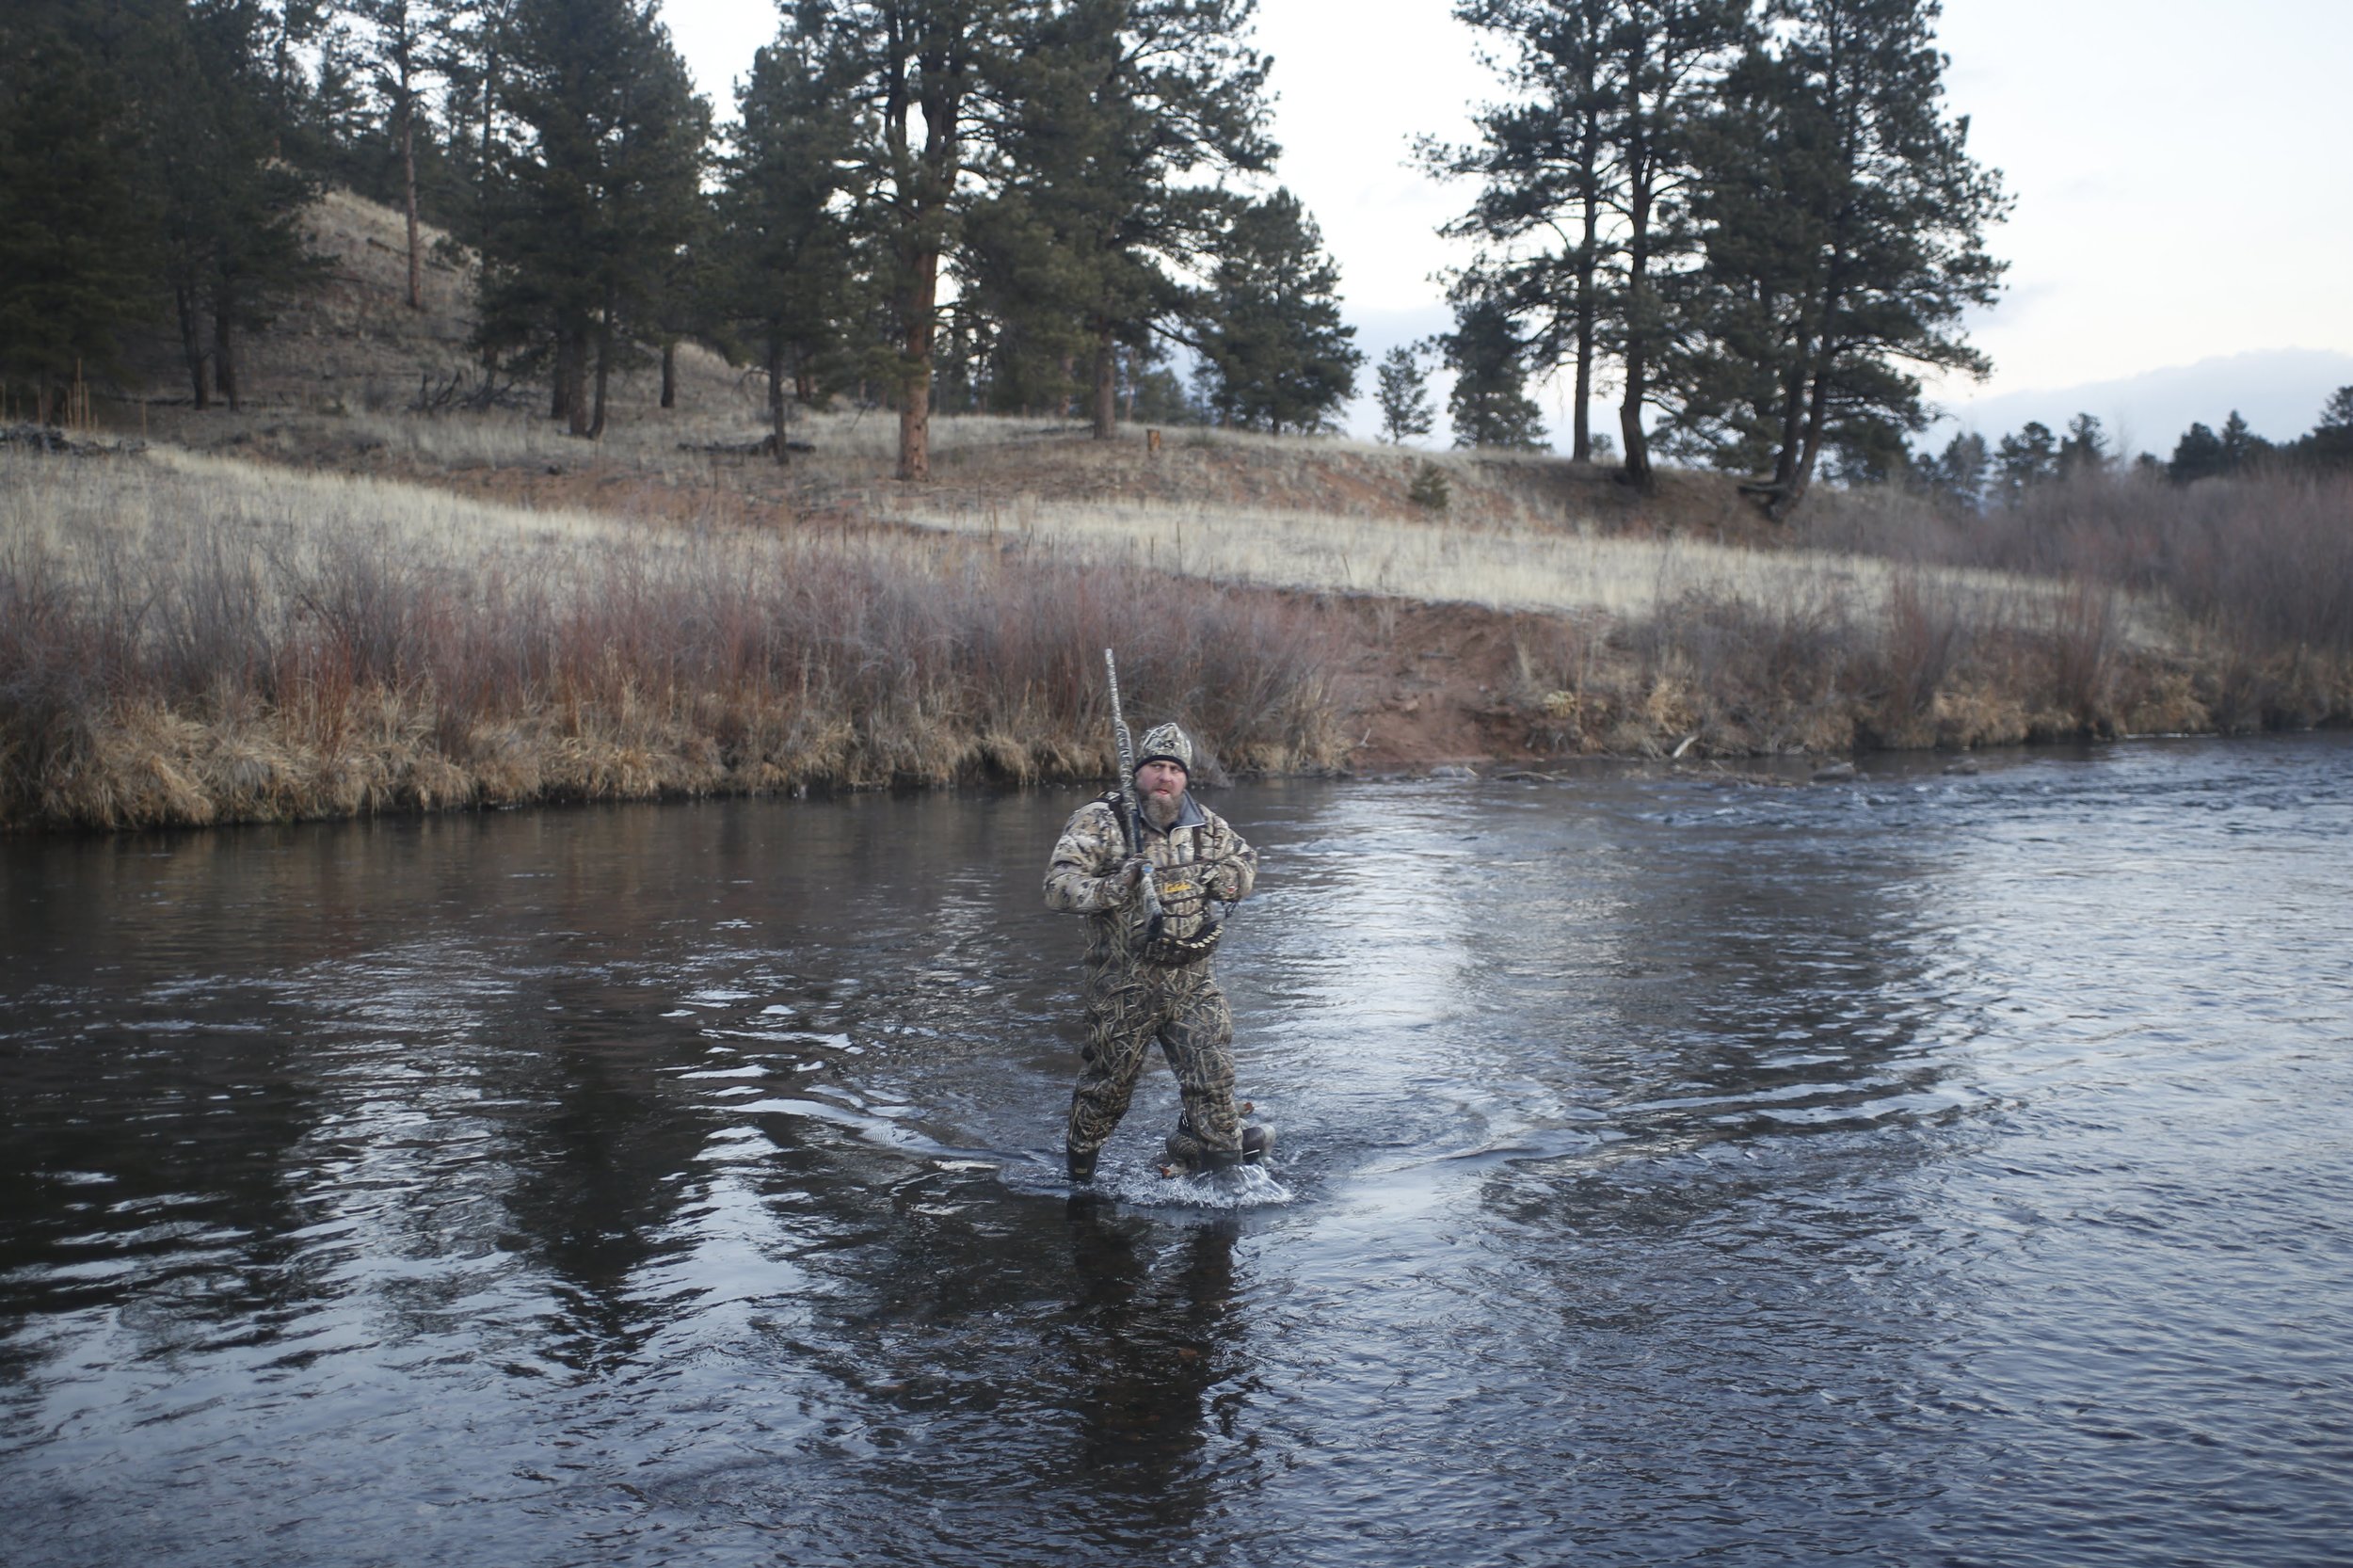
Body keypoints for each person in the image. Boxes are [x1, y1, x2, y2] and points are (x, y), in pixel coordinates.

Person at [1044, 721, 1270, 1183]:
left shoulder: (1206, 826)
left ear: (1185, 777)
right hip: (1124, 988)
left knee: (1215, 1081)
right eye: (1155, 768)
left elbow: (1245, 864)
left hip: (1193, 983)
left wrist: (1223, 879)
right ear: (1137, 773)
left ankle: (1226, 1188)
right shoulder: (1101, 822)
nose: (1164, 778)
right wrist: (1116, 884)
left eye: (1173, 769)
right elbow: (1058, 887)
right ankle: (1079, 1181)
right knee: (1108, 1092)